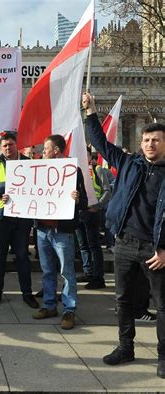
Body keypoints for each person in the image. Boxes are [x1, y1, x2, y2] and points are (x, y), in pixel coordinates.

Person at [83, 92, 165, 377]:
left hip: (157, 250)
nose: (149, 144)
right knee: (123, 300)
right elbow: (101, 143)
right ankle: (125, 347)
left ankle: (163, 357)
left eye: (155, 140)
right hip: (125, 243)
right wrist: (91, 113)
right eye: (146, 140)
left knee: (162, 305)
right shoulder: (130, 163)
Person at [31, 135, 88, 330]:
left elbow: (84, 203)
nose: (42, 152)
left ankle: (69, 310)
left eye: (45, 148)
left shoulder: (73, 172)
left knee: (66, 272)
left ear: (56, 150)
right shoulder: (37, 171)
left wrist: (77, 198)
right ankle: (49, 306)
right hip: (42, 230)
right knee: (47, 271)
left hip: (62, 230)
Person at [0, 132, 38, 309]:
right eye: (4, 145)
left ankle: (27, 294)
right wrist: (2, 189)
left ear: (16, 145)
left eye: (10, 144)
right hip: (1, 218)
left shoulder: (28, 163)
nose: (7, 148)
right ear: (0, 147)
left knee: (22, 256)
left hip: (22, 218)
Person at [75, 146, 111, 289]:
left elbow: (107, 191)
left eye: (86, 155)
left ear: (90, 157)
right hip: (78, 213)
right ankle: (88, 272)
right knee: (83, 246)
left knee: (94, 246)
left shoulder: (98, 170)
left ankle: (98, 277)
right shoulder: (74, 171)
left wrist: (98, 206)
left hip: (92, 213)